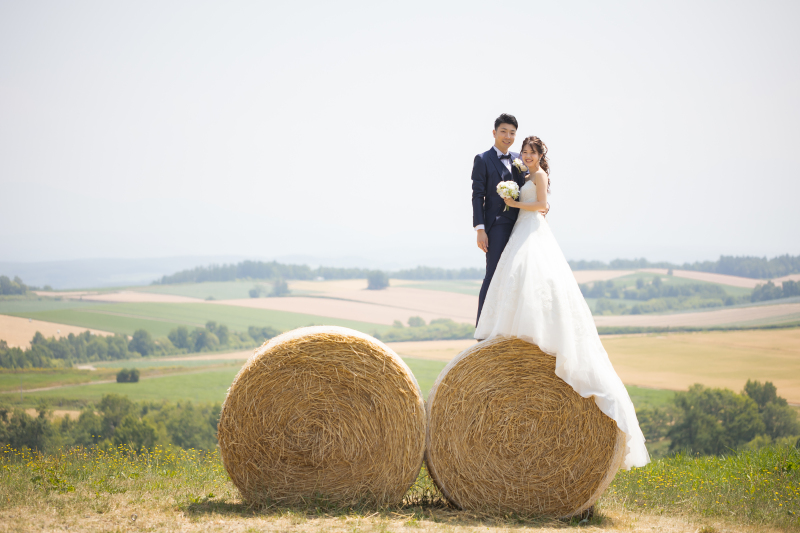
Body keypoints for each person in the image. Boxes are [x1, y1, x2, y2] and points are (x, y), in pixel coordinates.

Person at [475, 135, 650, 470]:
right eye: (524, 152)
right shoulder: (523, 177)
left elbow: (541, 206)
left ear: (541, 155)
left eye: (531, 152)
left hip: (532, 230)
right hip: (522, 232)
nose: (526, 156)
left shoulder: (537, 177)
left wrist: (513, 205)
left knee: (531, 279)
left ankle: (536, 333)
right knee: (516, 279)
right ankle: (518, 339)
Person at [472, 113, 527, 326]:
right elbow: (478, 195)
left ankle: (508, 324)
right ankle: (482, 327)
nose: (508, 136)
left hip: (520, 224)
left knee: (516, 276)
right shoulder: (483, 159)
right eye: (503, 131)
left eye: (512, 133)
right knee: (493, 273)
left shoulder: (520, 159)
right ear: (494, 133)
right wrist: (480, 228)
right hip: (496, 226)